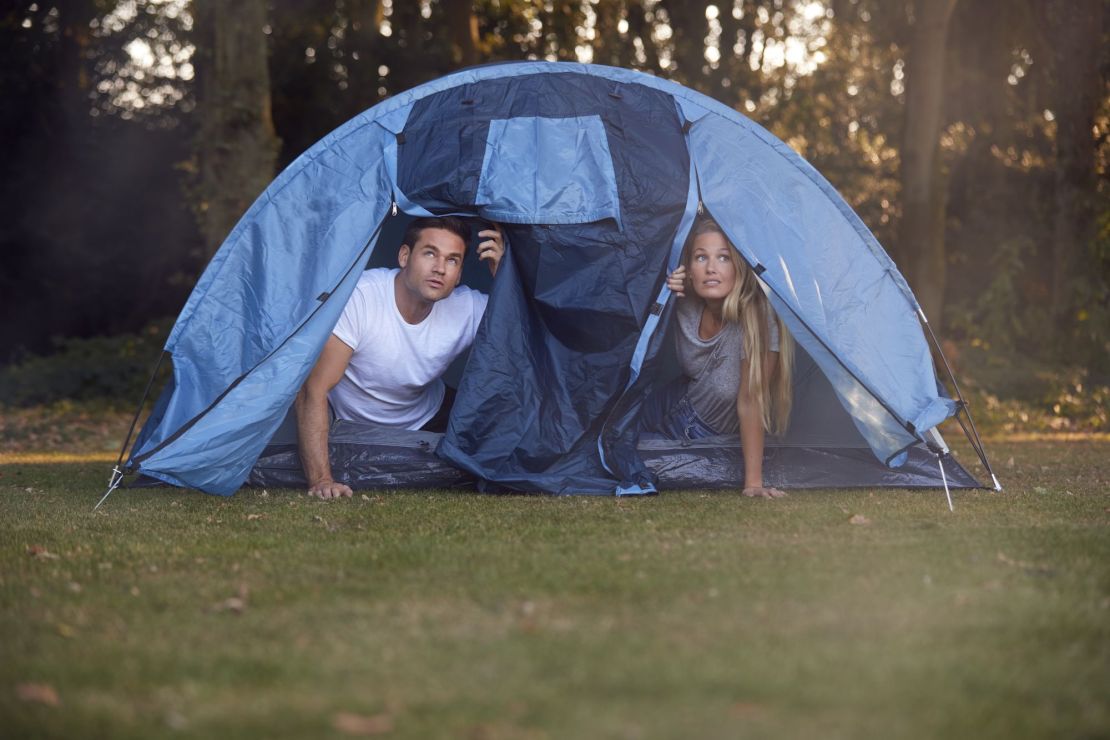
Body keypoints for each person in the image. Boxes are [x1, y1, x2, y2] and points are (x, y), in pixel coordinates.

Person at [295, 216, 504, 500]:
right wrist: (321, 480)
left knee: (506, 429)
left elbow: (524, 339)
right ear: (404, 256)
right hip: (357, 424)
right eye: (430, 253)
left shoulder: (465, 306)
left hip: (431, 413)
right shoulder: (362, 297)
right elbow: (313, 389)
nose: (440, 269)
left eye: (452, 260)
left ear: (459, 273)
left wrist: (503, 277)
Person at [649, 215, 794, 498]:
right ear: (689, 268)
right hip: (673, 397)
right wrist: (663, 289)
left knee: (623, 452)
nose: (712, 268)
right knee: (607, 430)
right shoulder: (684, 298)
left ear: (739, 268)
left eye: (724, 258)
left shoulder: (758, 319)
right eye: (701, 258)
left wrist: (753, 483)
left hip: (697, 428)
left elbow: (752, 400)